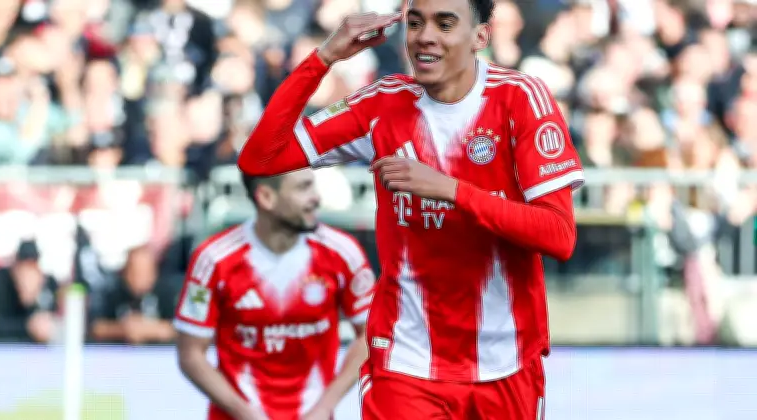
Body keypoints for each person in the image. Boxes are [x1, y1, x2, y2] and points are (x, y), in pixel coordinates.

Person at [236, 0, 584, 418]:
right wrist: (324, 58)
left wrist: (452, 191)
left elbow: (559, 236)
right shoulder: (381, 104)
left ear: (480, 36)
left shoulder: (520, 98)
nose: (425, 37)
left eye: (445, 23)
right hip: (405, 361)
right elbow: (260, 159)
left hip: (506, 360)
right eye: (415, 23)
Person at [174, 169, 376, 420]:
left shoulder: (343, 252)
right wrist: (245, 414)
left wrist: (324, 407)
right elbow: (190, 354)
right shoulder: (213, 259)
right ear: (266, 197)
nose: (316, 197)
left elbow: (371, 335)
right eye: (303, 188)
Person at [0, 240, 60, 343]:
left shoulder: (47, 284)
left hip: (29, 350)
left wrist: (32, 301)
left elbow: (45, 323)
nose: (27, 272)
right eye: (23, 265)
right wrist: (27, 327)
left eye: (32, 265)